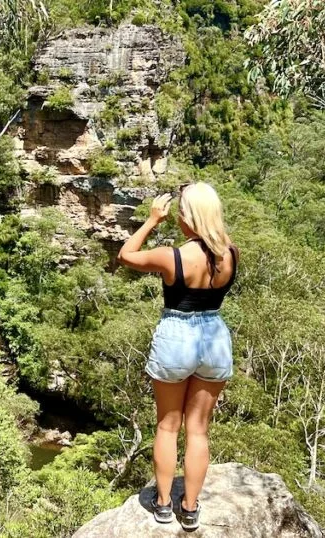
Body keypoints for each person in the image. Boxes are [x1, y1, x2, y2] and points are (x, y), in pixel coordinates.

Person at [115, 182, 238, 531]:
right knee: (198, 430)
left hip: (177, 338)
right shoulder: (231, 253)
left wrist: (152, 219)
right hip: (214, 339)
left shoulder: (172, 256)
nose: (179, 217)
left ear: (190, 217)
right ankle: (191, 507)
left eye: (182, 212)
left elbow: (126, 255)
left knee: (168, 426)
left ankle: (165, 504)